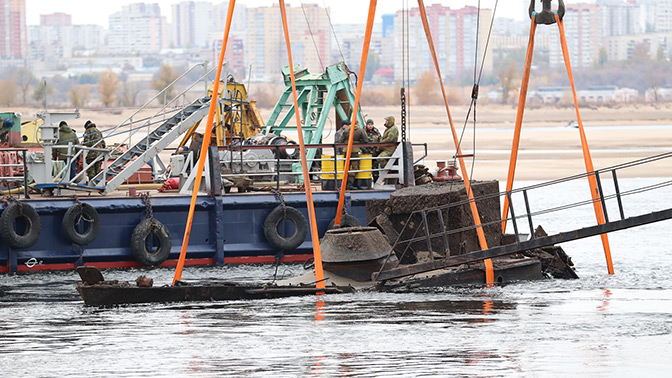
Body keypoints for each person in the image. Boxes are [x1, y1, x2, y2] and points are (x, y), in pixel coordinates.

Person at [338, 120, 368, 190]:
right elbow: (365, 140)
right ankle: (350, 183)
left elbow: (340, 141)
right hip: (355, 151)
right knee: (355, 168)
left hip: (346, 150)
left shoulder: (346, 130)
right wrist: (358, 143)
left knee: (346, 167)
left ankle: (344, 184)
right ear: (357, 124)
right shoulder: (360, 131)